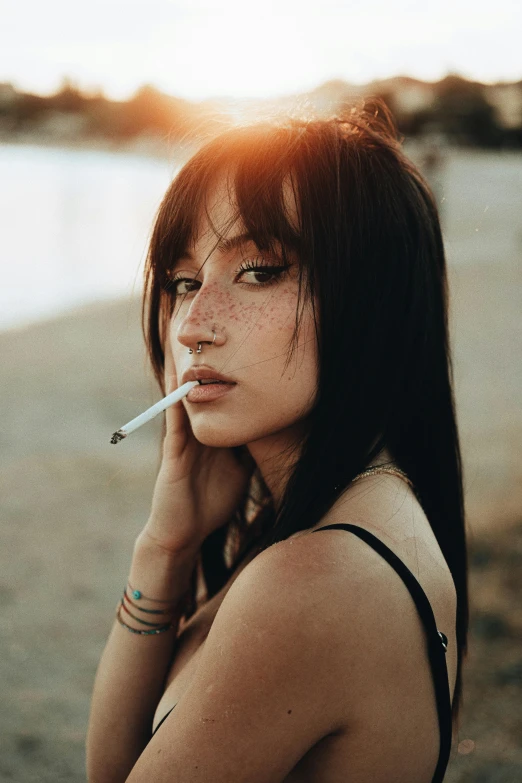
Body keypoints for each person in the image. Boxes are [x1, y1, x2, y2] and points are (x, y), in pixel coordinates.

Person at [86, 99, 468, 782]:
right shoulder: (363, 519)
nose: (194, 324)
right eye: (183, 280)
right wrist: (166, 547)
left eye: (259, 269)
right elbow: (116, 767)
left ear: (370, 297)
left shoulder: (316, 580)